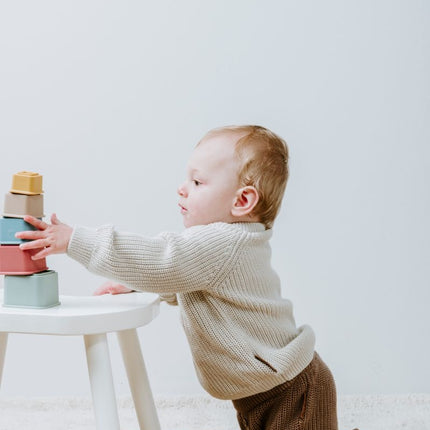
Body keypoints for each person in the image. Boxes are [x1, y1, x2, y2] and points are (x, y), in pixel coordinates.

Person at [17, 125, 338, 429]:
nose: (182, 189)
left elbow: (162, 259)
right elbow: (195, 284)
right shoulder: (227, 247)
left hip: (292, 393)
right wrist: (137, 282)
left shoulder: (223, 243)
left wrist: (76, 240)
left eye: (198, 183)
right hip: (267, 390)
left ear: (242, 201)